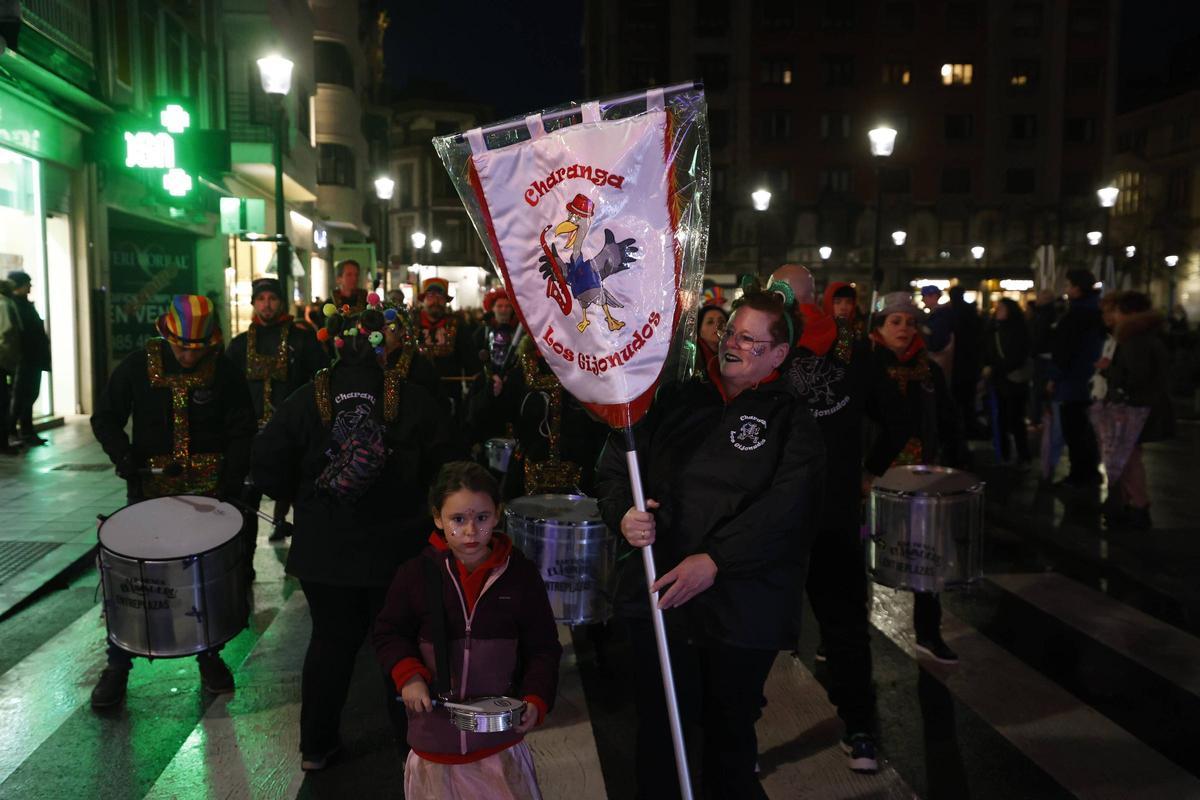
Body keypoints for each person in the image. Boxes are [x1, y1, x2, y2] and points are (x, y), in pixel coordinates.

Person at [596, 290, 825, 799]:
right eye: (728, 333)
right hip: (661, 601)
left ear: (779, 354)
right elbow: (616, 467)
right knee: (660, 731)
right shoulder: (674, 399)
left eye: (748, 337)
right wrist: (624, 515)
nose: (731, 344)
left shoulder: (794, 422)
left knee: (727, 737)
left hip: (743, 611)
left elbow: (787, 513)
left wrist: (716, 560)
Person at [250, 304, 461, 771]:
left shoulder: (306, 398)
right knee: (399, 644)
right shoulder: (414, 398)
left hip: (325, 551)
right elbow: (450, 467)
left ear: (335, 344)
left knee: (330, 643)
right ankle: (411, 746)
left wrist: (306, 499)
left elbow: (264, 462)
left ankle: (316, 747)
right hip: (398, 550)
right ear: (383, 348)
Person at [88, 294, 256, 708]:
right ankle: (117, 665)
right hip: (148, 491)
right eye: (179, 346)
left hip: (208, 496)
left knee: (200, 580)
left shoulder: (226, 374)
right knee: (134, 577)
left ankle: (209, 657)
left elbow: (242, 429)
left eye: (195, 350)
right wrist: (125, 458)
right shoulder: (135, 367)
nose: (185, 355)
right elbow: (104, 417)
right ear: (166, 335)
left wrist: (230, 484)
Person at [373, 462, 562, 799]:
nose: (471, 531)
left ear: (498, 514)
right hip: (434, 743)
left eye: (482, 518)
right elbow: (389, 633)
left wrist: (536, 697)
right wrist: (409, 676)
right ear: (437, 518)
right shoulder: (416, 574)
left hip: (499, 747)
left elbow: (543, 646)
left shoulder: (520, 576)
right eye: (458, 520)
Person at [772, 265, 878, 772]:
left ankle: (742, 736)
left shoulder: (768, 345)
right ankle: (861, 729)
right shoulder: (856, 348)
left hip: (778, 513)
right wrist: (868, 471)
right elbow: (893, 413)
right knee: (845, 625)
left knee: (758, 627)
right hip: (833, 508)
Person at [863, 292, 963, 664]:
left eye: (909, 321)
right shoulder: (867, 366)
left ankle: (928, 633)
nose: (904, 329)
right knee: (863, 553)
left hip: (921, 477)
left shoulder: (929, 371)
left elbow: (949, 420)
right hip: (872, 478)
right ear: (879, 328)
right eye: (895, 322)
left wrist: (959, 464)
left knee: (926, 558)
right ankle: (848, 635)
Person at [227, 277, 328, 542]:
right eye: (261, 299)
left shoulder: (302, 340)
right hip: (249, 435)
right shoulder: (238, 345)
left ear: (281, 301)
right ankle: (243, 567)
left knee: (301, 495)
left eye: (271, 298)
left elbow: (322, 381)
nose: (266, 305)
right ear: (253, 303)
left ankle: (306, 554)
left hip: (293, 434)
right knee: (246, 503)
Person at [1101, 291, 1174, 530]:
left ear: (1129, 313)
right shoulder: (1148, 335)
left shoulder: (1134, 338)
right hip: (1143, 406)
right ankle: (1131, 505)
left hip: (1133, 408)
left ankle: (1139, 507)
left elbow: (1135, 376)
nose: (1115, 316)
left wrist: (1109, 371)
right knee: (1130, 458)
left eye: (1118, 311)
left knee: (1128, 460)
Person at [1049, 269, 1105, 487]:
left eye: (1069, 285)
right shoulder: (1095, 312)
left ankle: (1080, 475)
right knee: (1084, 428)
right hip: (1089, 378)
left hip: (1073, 380)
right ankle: (1090, 472)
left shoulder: (1076, 316)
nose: (1066, 289)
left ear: (1078, 288)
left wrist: (1054, 377)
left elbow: (1064, 351)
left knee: (1074, 429)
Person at [416, 277, 476, 415]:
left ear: (445, 301)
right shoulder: (411, 324)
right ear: (423, 299)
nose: (436, 301)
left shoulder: (458, 325)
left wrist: (474, 381)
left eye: (440, 296)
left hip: (449, 392)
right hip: (418, 391)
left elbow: (469, 358)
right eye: (431, 296)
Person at [984, 298, 1033, 465]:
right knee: (1001, 419)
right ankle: (1003, 454)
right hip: (999, 380)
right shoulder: (993, 329)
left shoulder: (1019, 330)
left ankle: (1022, 456)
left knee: (1016, 420)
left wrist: (995, 368)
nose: (998, 310)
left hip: (1014, 381)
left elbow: (1018, 356)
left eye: (1002, 308)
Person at [6, 271, 51, 447]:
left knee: (30, 394)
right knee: (20, 396)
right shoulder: (14, 305)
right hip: (24, 359)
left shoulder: (24, 305)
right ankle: (14, 431)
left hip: (32, 358)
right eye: (28, 283)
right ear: (20, 285)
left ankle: (26, 431)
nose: (30, 286)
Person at [0, 278, 20, 455]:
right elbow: (7, 333)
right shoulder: (4, 304)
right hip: (3, 361)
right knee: (3, 402)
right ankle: (3, 443)